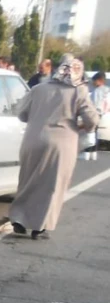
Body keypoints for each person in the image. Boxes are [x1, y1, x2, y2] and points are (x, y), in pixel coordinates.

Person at [9, 54, 101, 240]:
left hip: (32, 140)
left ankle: (18, 218)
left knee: (28, 180)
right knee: (52, 185)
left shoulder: (39, 88)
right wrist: (83, 126)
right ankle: (39, 226)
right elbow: (92, 119)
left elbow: (21, 113)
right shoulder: (78, 91)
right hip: (61, 145)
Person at [81, 72, 108, 161]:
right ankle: (93, 153)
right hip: (101, 114)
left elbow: (94, 104)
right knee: (94, 133)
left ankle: (87, 153)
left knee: (90, 133)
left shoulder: (98, 91)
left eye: (94, 81)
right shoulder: (106, 90)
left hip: (94, 113)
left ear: (100, 81)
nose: (93, 83)